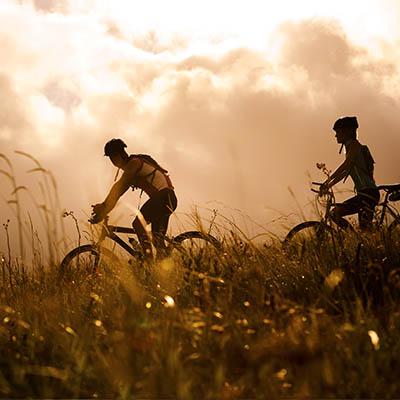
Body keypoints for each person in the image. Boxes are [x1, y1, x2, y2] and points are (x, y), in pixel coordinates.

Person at [92, 139, 177, 258]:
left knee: (138, 224)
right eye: (110, 158)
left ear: (121, 154)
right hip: (168, 199)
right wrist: (104, 210)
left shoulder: (134, 164)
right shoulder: (132, 166)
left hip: (163, 197)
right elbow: (119, 193)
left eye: (113, 156)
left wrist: (104, 206)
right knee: (157, 241)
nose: (112, 161)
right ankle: (164, 268)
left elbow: (119, 187)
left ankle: (148, 261)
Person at [319, 116, 379, 231]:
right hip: (366, 193)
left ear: (346, 131)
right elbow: (346, 172)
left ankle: (354, 238)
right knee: (364, 229)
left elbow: (345, 165)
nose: (336, 135)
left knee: (336, 213)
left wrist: (327, 181)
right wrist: (328, 186)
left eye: (337, 132)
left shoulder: (354, 145)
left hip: (367, 194)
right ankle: (358, 240)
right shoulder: (351, 147)